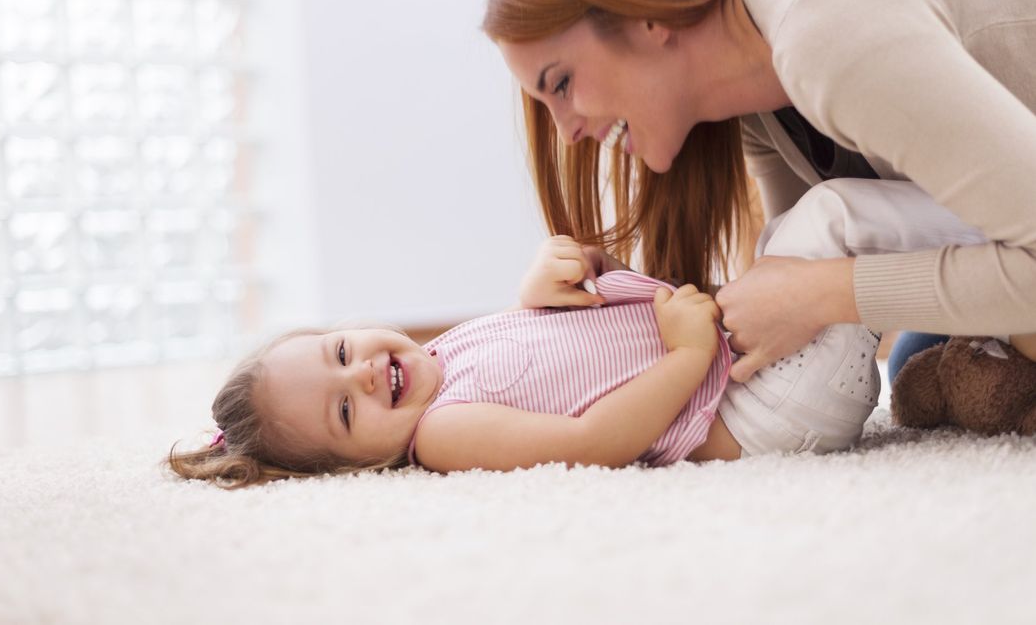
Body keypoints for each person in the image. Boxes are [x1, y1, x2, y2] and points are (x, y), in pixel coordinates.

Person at [482, 0, 1036, 385]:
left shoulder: (826, 33)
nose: (567, 131)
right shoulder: (758, 100)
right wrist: (631, 302)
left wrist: (827, 293)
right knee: (922, 355)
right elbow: (788, 287)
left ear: (646, 18)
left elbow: (816, 288)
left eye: (560, 85)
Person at [166, 178, 993, 489]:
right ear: (357, 464)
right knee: (830, 217)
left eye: (340, 353)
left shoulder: (440, 360)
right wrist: (689, 353)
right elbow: (592, 436)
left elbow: (542, 356)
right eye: (344, 413)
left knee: (799, 236)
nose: (362, 376)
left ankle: (983, 331)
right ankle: (1010, 226)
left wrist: (542, 292)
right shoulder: (445, 432)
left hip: (749, 366)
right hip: (755, 414)